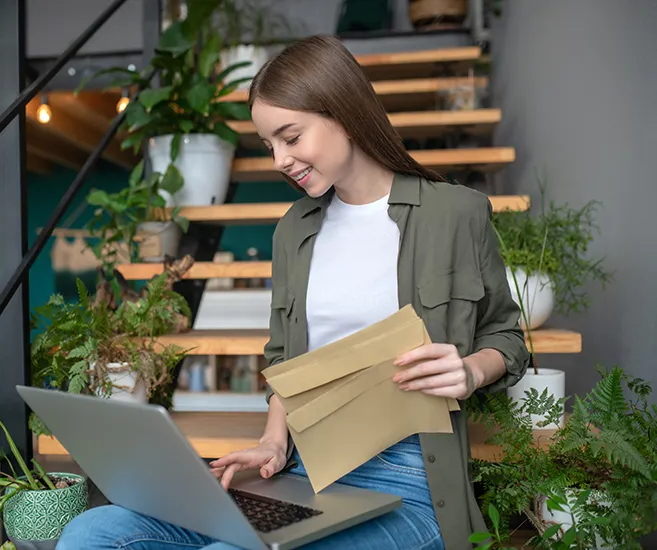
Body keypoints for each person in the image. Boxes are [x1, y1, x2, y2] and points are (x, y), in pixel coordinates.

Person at [57, 34, 530, 550]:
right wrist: (272, 441)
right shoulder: (294, 231)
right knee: (93, 530)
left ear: (344, 114)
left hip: (412, 482)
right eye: (269, 145)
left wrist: (470, 370)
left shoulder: (455, 213)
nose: (280, 159)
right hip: (306, 470)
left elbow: (507, 336)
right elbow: (286, 359)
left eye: (291, 136)